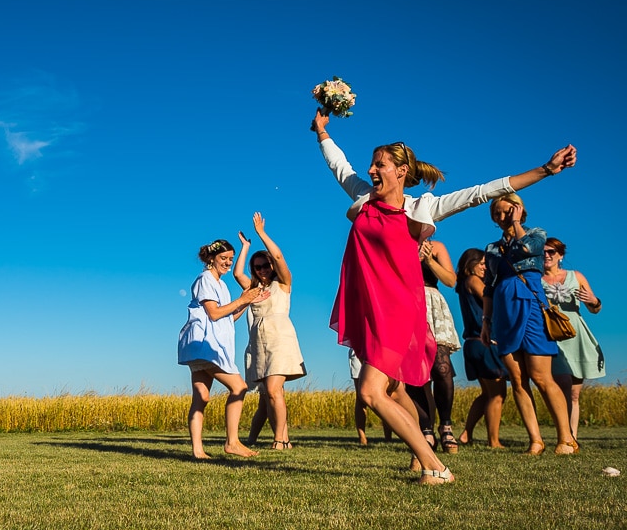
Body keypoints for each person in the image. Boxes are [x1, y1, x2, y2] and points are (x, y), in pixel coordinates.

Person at [312, 107, 576, 483]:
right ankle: (425, 457)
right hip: (371, 308)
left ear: (402, 171)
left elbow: (484, 191)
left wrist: (546, 170)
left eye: (380, 165)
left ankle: (435, 467)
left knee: (371, 393)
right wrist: (322, 133)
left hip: (399, 310)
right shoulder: (364, 197)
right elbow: (339, 166)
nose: (371, 171)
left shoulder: (422, 208)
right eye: (371, 165)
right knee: (393, 389)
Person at [481, 195, 577, 455]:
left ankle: (566, 438)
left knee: (540, 376)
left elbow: (526, 249)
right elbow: (488, 286)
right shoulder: (491, 249)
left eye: (505, 212)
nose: (501, 219)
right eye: (497, 215)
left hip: (530, 303)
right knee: (517, 378)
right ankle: (535, 440)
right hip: (503, 309)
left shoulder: (536, 234)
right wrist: (486, 321)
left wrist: (516, 224)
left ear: (518, 210)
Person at [178, 239, 267, 459]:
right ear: (211, 258)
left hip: (206, 344)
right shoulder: (205, 279)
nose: (228, 263)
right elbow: (214, 313)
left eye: (230, 259)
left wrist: (248, 301)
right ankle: (232, 442)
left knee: (202, 397)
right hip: (204, 344)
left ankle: (198, 451)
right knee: (239, 387)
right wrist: (243, 298)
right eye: (223, 258)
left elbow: (228, 318)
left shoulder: (221, 284)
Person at [233, 213, 307, 450]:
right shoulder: (253, 288)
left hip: (280, 340)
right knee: (266, 398)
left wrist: (261, 234)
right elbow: (237, 274)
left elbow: (277, 255)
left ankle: (281, 440)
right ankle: (252, 440)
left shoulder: (283, 283)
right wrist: (245, 247)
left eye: (265, 265)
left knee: (274, 391)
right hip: (257, 344)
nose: (262, 269)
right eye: (258, 267)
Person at [542, 237, 605, 440]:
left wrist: (594, 301)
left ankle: (572, 437)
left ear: (560, 255)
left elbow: (594, 309)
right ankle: (565, 435)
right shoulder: (536, 278)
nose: (547, 255)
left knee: (574, 394)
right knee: (562, 383)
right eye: (543, 252)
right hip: (552, 335)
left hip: (575, 334)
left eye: (552, 251)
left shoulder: (575, 276)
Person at [405, 239, 462, 453]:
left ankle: (445, 425)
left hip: (432, 304)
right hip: (407, 303)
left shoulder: (436, 246)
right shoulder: (398, 244)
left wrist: (428, 260)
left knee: (442, 367)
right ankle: (425, 428)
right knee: (416, 373)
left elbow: (450, 280)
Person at [454, 248, 508, 448]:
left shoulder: (462, 285)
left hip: (473, 343)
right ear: (471, 265)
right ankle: (493, 441)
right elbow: (490, 299)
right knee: (497, 393)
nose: (486, 268)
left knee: (486, 393)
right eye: (482, 263)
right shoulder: (474, 281)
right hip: (484, 342)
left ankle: (466, 434)